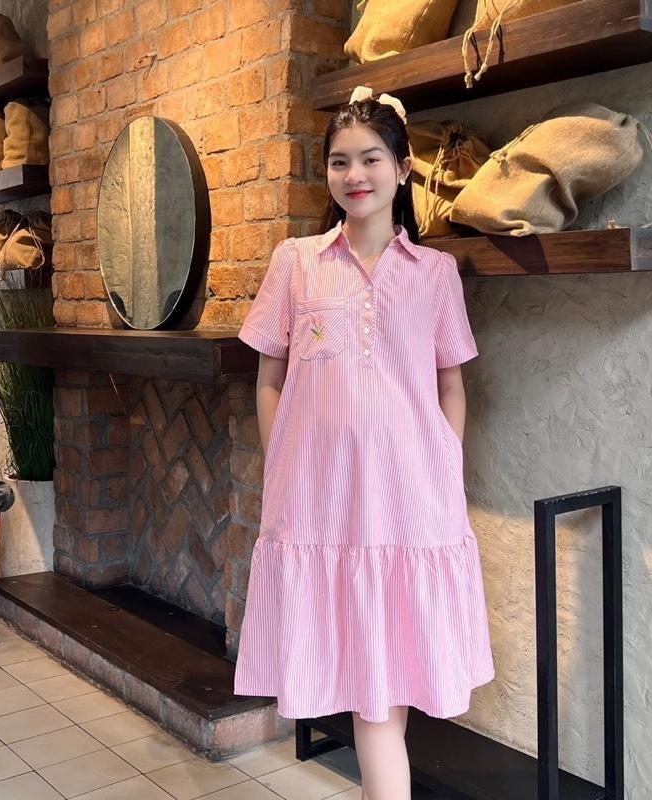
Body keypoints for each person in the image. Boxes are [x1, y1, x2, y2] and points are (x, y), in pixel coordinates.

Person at [233, 84, 495, 800]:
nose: (355, 175)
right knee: (372, 692)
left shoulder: (434, 274)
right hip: (320, 503)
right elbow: (269, 377)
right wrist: (281, 464)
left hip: (412, 505)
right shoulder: (296, 262)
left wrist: (444, 468)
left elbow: (451, 384)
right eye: (340, 161)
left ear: (403, 168)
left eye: (371, 158)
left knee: (385, 690)